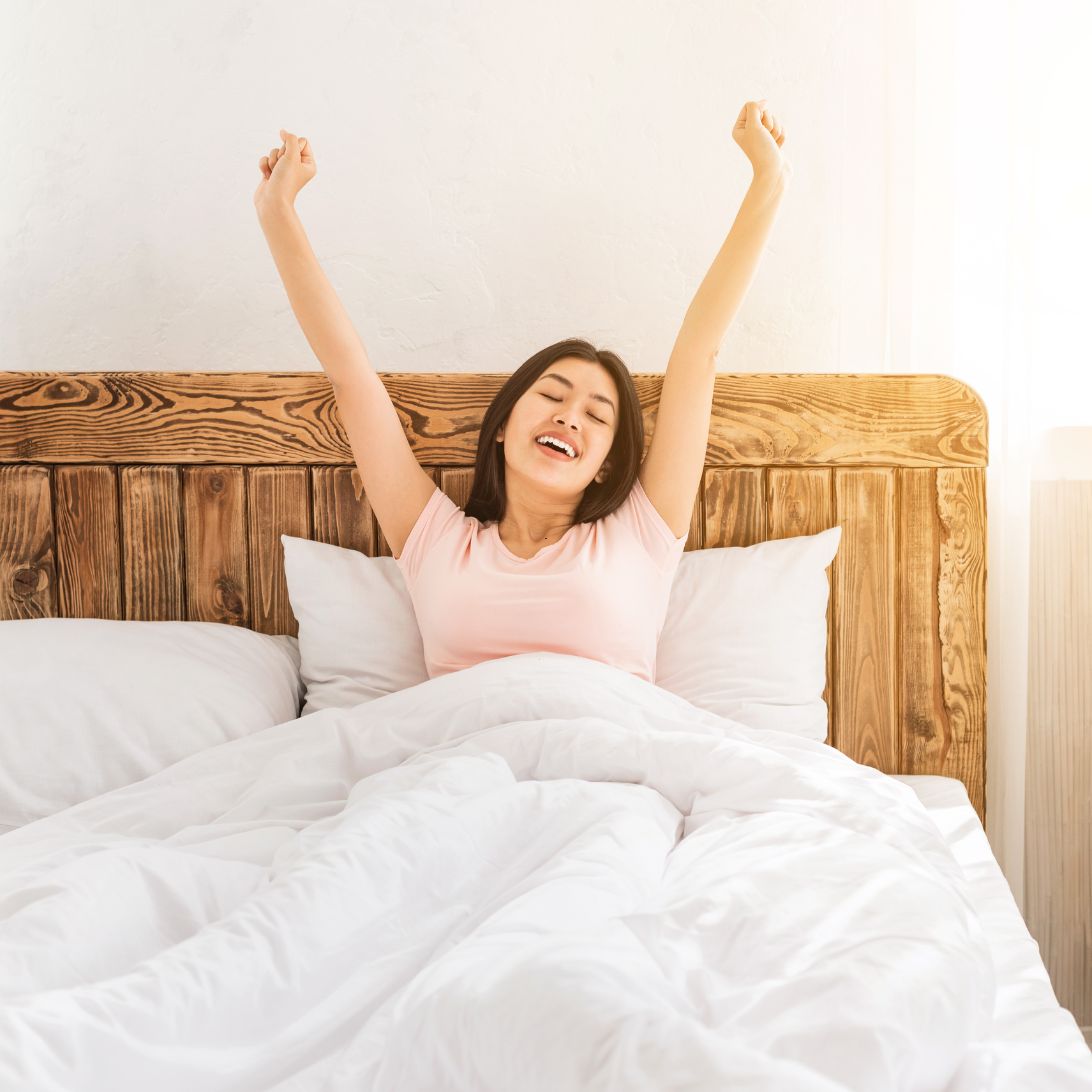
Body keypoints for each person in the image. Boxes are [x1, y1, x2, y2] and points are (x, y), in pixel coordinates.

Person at [255, 105, 789, 679]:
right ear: (505, 423)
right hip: (461, 758)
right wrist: (277, 212)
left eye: (596, 414)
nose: (570, 417)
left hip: (605, 759)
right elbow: (349, 372)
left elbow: (698, 354)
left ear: (608, 465)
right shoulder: (435, 540)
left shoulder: (640, 535)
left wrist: (769, 180)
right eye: (553, 395)